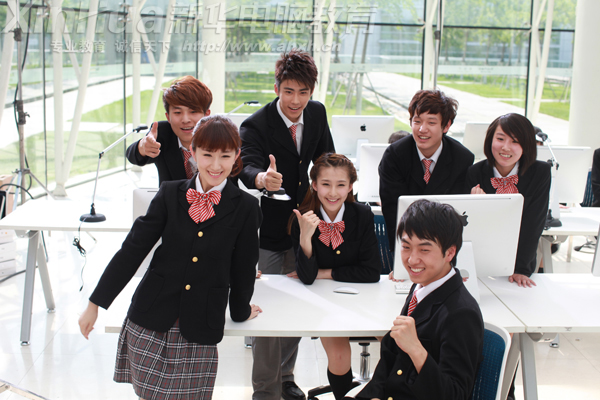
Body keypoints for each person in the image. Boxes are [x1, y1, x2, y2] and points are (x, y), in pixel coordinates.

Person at [78, 115, 262, 400]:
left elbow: (243, 269)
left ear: (237, 155)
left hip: (200, 323)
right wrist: (95, 303)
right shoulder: (169, 193)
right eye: (207, 155)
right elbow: (132, 249)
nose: (216, 165)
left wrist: (241, 311)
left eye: (225, 156)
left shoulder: (246, 207)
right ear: (193, 153)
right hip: (151, 316)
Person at [238, 49, 335, 400]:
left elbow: (327, 159)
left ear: (312, 91)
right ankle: (265, 390)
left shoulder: (317, 113)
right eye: (289, 91)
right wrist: (262, 179)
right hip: (267, 228)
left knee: (296, 305)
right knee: (268, 312)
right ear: (276, 87)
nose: (296, 101)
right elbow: (246, 166)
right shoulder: (256, 124)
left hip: (303, 225)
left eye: (303, 92)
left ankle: (286, 378)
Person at [352, 199, 484, 400]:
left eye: (424, 250)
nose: (412, 260)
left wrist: (416, 349)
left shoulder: (461, 313)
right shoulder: (421, 286)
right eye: (406, 247)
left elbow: (455, 395)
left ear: (450, 252)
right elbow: (391, 357)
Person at [288, 153, 381, 400]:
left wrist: (326, 273)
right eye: (325, 184)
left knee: (395, 344)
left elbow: (372, 272)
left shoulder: (362, 214)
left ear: (350, 187)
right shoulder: (303, 218)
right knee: (339, 355)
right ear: (314, 185)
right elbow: (307, 278)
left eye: (341, 185)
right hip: (325, 302)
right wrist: (306, 237)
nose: (332, 193)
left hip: (364, 299)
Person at [378, 90, 474, 251]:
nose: (422, 129)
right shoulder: (394, 156)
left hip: (444, 244)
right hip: (406, 240)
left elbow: (457, 213)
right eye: (417, 121)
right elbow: (392, 212)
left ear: (446, 125)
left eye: (431, 122)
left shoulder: (462, 158)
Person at [466, 113, 551, 287]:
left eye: (515, 141)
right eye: (500, 139)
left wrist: (521, 269)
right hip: (481, 259)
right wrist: (478, 207)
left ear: (527, 145)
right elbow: (470, 226)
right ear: (490, 140)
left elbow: (533, 224)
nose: (506, 147)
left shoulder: (540, 172)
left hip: (520, 262)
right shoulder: (475, 173)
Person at [126, 75, 212, 185]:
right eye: (177, 112)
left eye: (193, 112)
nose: (185, 120)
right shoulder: (162, 134)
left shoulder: (220, 136)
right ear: (168, 117)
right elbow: (133, 156)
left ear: (206, 115)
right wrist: (142, 146)